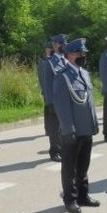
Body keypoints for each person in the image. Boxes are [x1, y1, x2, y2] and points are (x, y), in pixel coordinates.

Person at [53, 38, 100, 213]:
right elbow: (62, 106)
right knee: (69, 168)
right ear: (69, 55)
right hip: (72, 131)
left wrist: (94, 123)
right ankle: (70, 199)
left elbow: (89, 102)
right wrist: (68, 129)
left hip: (86, 128)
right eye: (79, 53)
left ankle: (83, 195)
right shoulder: (62, 76)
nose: (83, 56)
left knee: (83, 165)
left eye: (84, 53)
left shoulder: (84, 74)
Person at [43, 34, 69, 162]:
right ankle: (54, 151)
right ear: (54, 45)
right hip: (55, 101)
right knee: (54, 127)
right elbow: (47, 84)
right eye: (61, 44)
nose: (63, 46)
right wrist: (50, 103)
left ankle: (63, 149)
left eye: (64, 44)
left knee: (63, 126)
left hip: (66, 100)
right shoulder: (49, 63)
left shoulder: (67, 60)